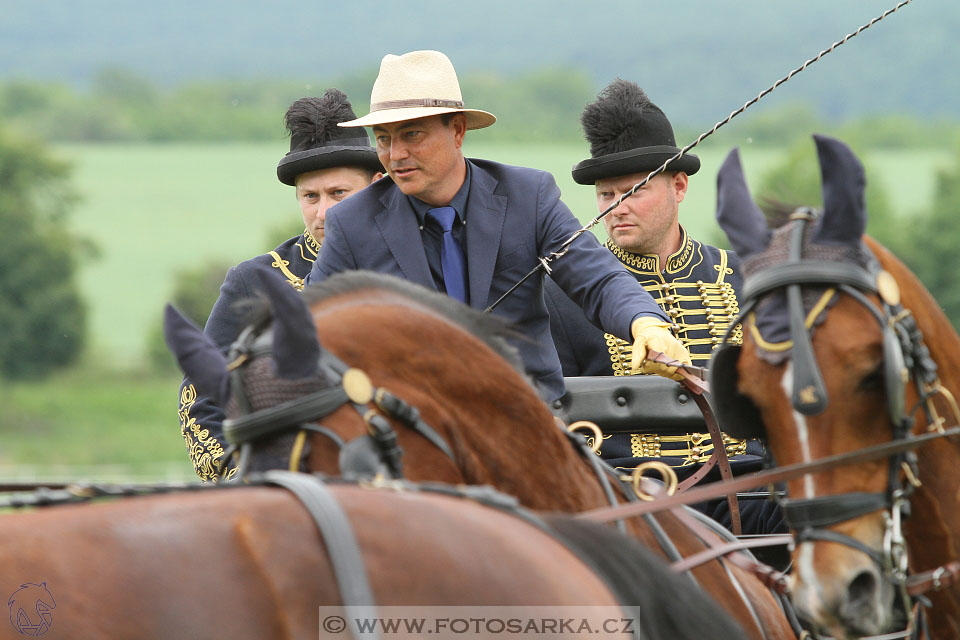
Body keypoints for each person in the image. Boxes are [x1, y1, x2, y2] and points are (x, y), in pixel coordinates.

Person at [307, 50, 690, 403]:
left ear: (457, 131)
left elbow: (595, 277)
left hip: (525, 417)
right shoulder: (352, 222)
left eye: (412, 134)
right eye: (384, 139)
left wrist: (645, 323)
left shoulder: (528, 195)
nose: (396, 155)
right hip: (413, 429)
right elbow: (313, 326)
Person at [543, 80, 782, 534]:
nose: (616, 209)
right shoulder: (564, 293)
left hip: (746, 490)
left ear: (678, 187)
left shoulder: (741, 277)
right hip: (636, 505)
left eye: (632, 192)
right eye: (606, 195)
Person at [178, 89, 383, 481]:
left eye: (339, 193)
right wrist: (247, 479)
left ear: (376, 185)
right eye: (310, 196)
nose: (324, 213)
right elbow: (201, 400)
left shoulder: (413, 262)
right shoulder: (255, 281)